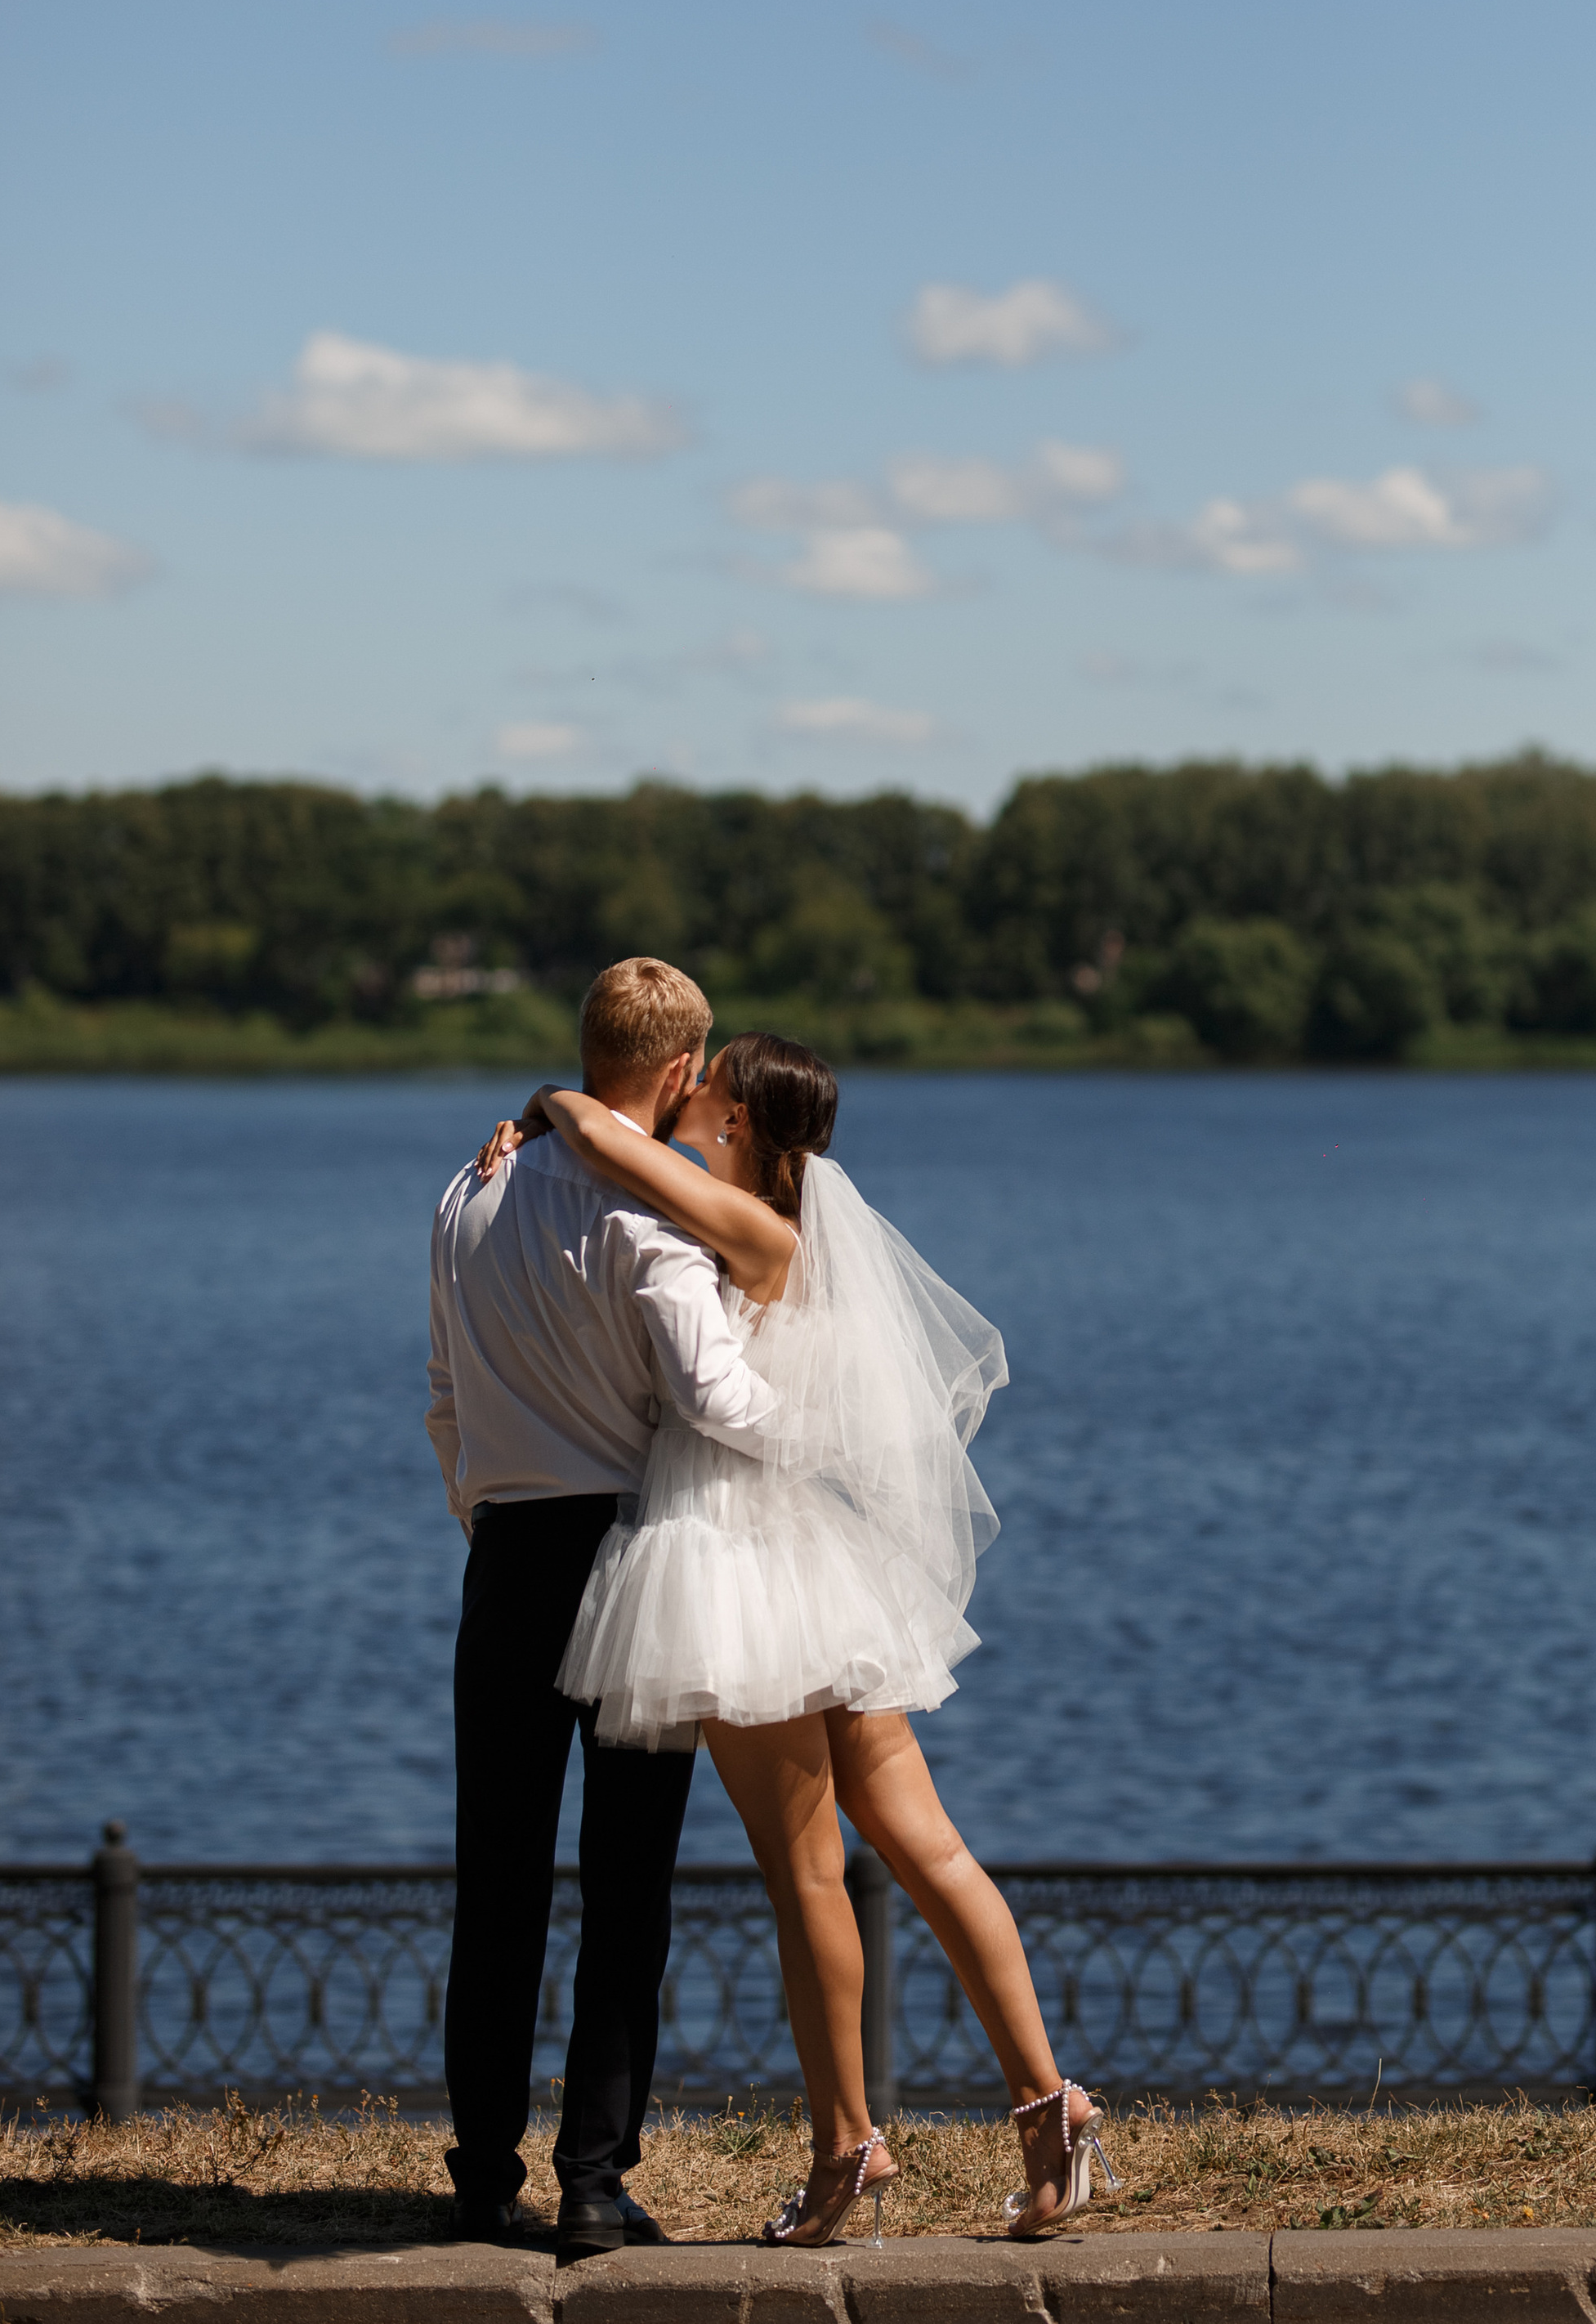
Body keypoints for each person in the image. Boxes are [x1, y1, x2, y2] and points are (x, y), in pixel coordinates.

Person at [476, 1028, 1117, 2245]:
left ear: (736, 1123)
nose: (685, 1094)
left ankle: (846, 2151)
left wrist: (550, 1102)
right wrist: (550, 1121)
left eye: (706, 1086)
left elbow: (618, 1147)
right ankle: (1050, 2113)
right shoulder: (781, 1217)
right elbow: (625, 1156)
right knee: (928, 1850)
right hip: (817, 1568)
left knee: (806, 1874)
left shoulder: (745, 1222)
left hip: (729, 1562)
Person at [426, 956, 785, 2259]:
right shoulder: (651, 1223)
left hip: (506, 1556)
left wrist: (485, 1512)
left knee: (498, 1875)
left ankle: (479, 2173)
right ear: (685, 1073)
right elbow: (720, 1404)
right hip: (633, 1558)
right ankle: (592, 2179)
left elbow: (444, 1393)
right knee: (627, 1883)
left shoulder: (469, 1189)